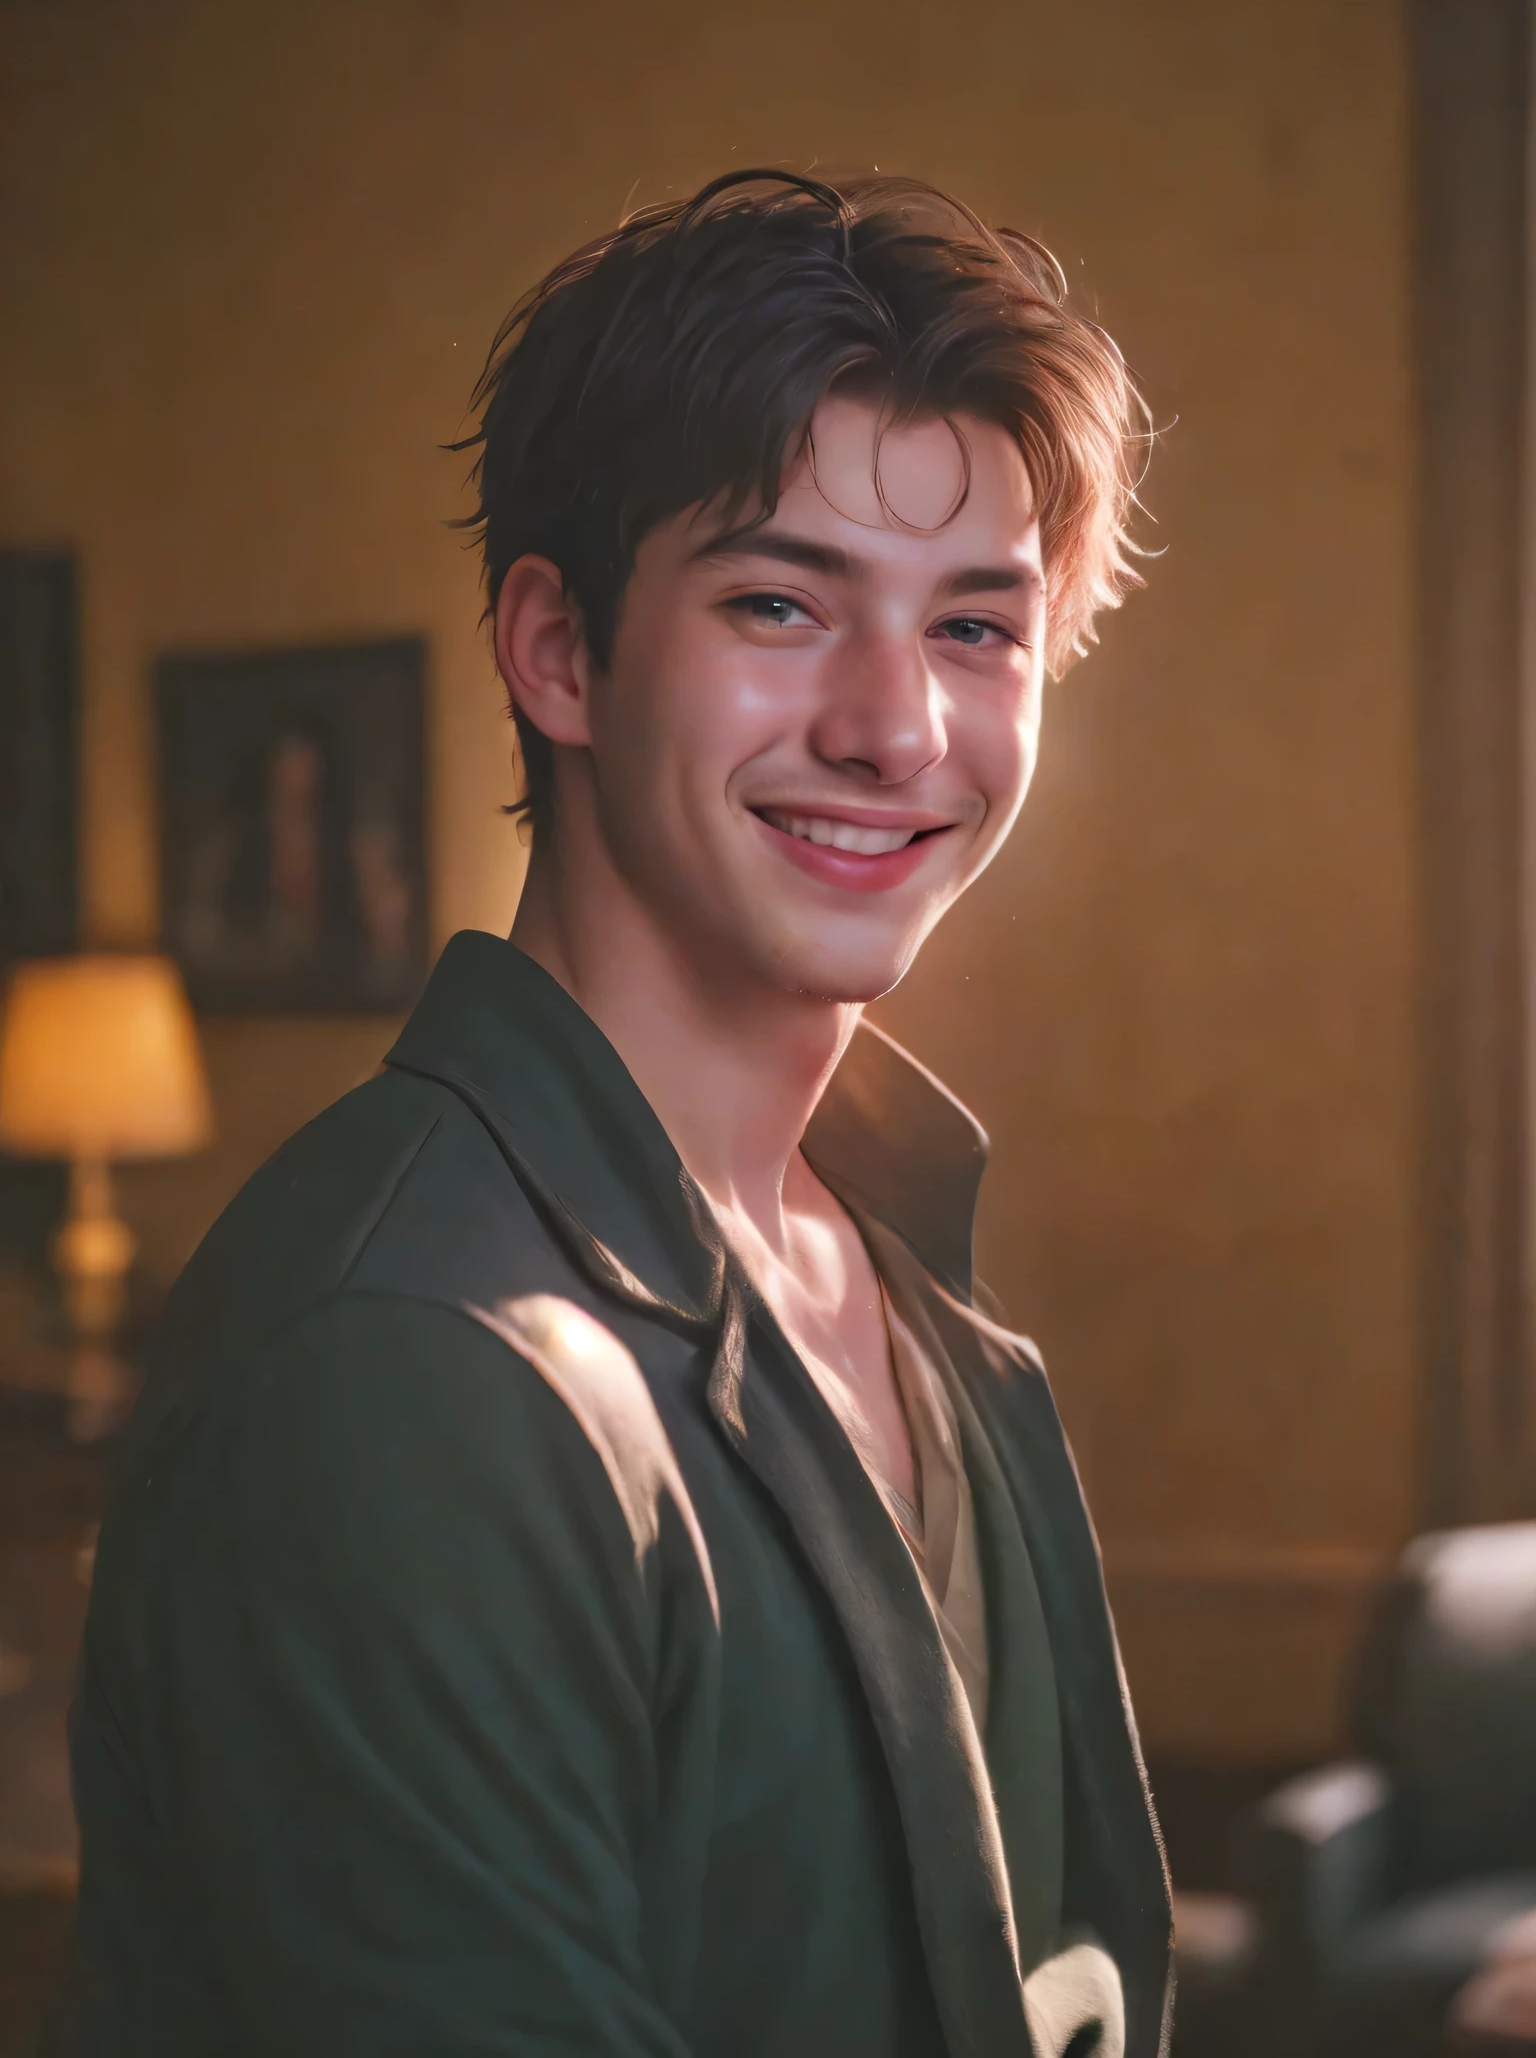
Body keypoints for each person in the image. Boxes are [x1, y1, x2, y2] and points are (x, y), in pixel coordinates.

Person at [69, 170, 1172, 2057]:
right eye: (777, 601)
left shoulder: (906, 1274)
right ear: (556, 649)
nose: (895, 725)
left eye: (977, 629)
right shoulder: (403, 1364)